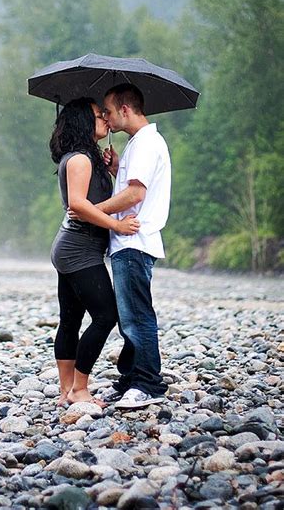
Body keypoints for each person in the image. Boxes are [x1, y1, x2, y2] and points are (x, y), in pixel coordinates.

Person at [70, 84, 171, 409]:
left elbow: (135, 195)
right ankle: (130, 378)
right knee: (130, 314)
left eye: (110, 112)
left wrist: (93, 211)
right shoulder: (138, 145)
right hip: (128, 240)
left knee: (137, 315)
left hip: (134, 240)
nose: (108, 120)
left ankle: (147, 383)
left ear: (125, 109)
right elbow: (133, 187)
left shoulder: (144, 144)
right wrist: (116, 170)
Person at [49, 97, 140, 407]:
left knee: (71, 319)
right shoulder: (79, 160)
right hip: (79, 250)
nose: (104, 118)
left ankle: (66, 392)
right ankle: (79, 389)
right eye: (98, 115)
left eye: (104, 113)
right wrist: (116, 227)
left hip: (75, 248)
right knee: (105, 316)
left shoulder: (87, 158)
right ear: (82, 122)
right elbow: (78, 204)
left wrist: (114, 169)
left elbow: (97, 198)